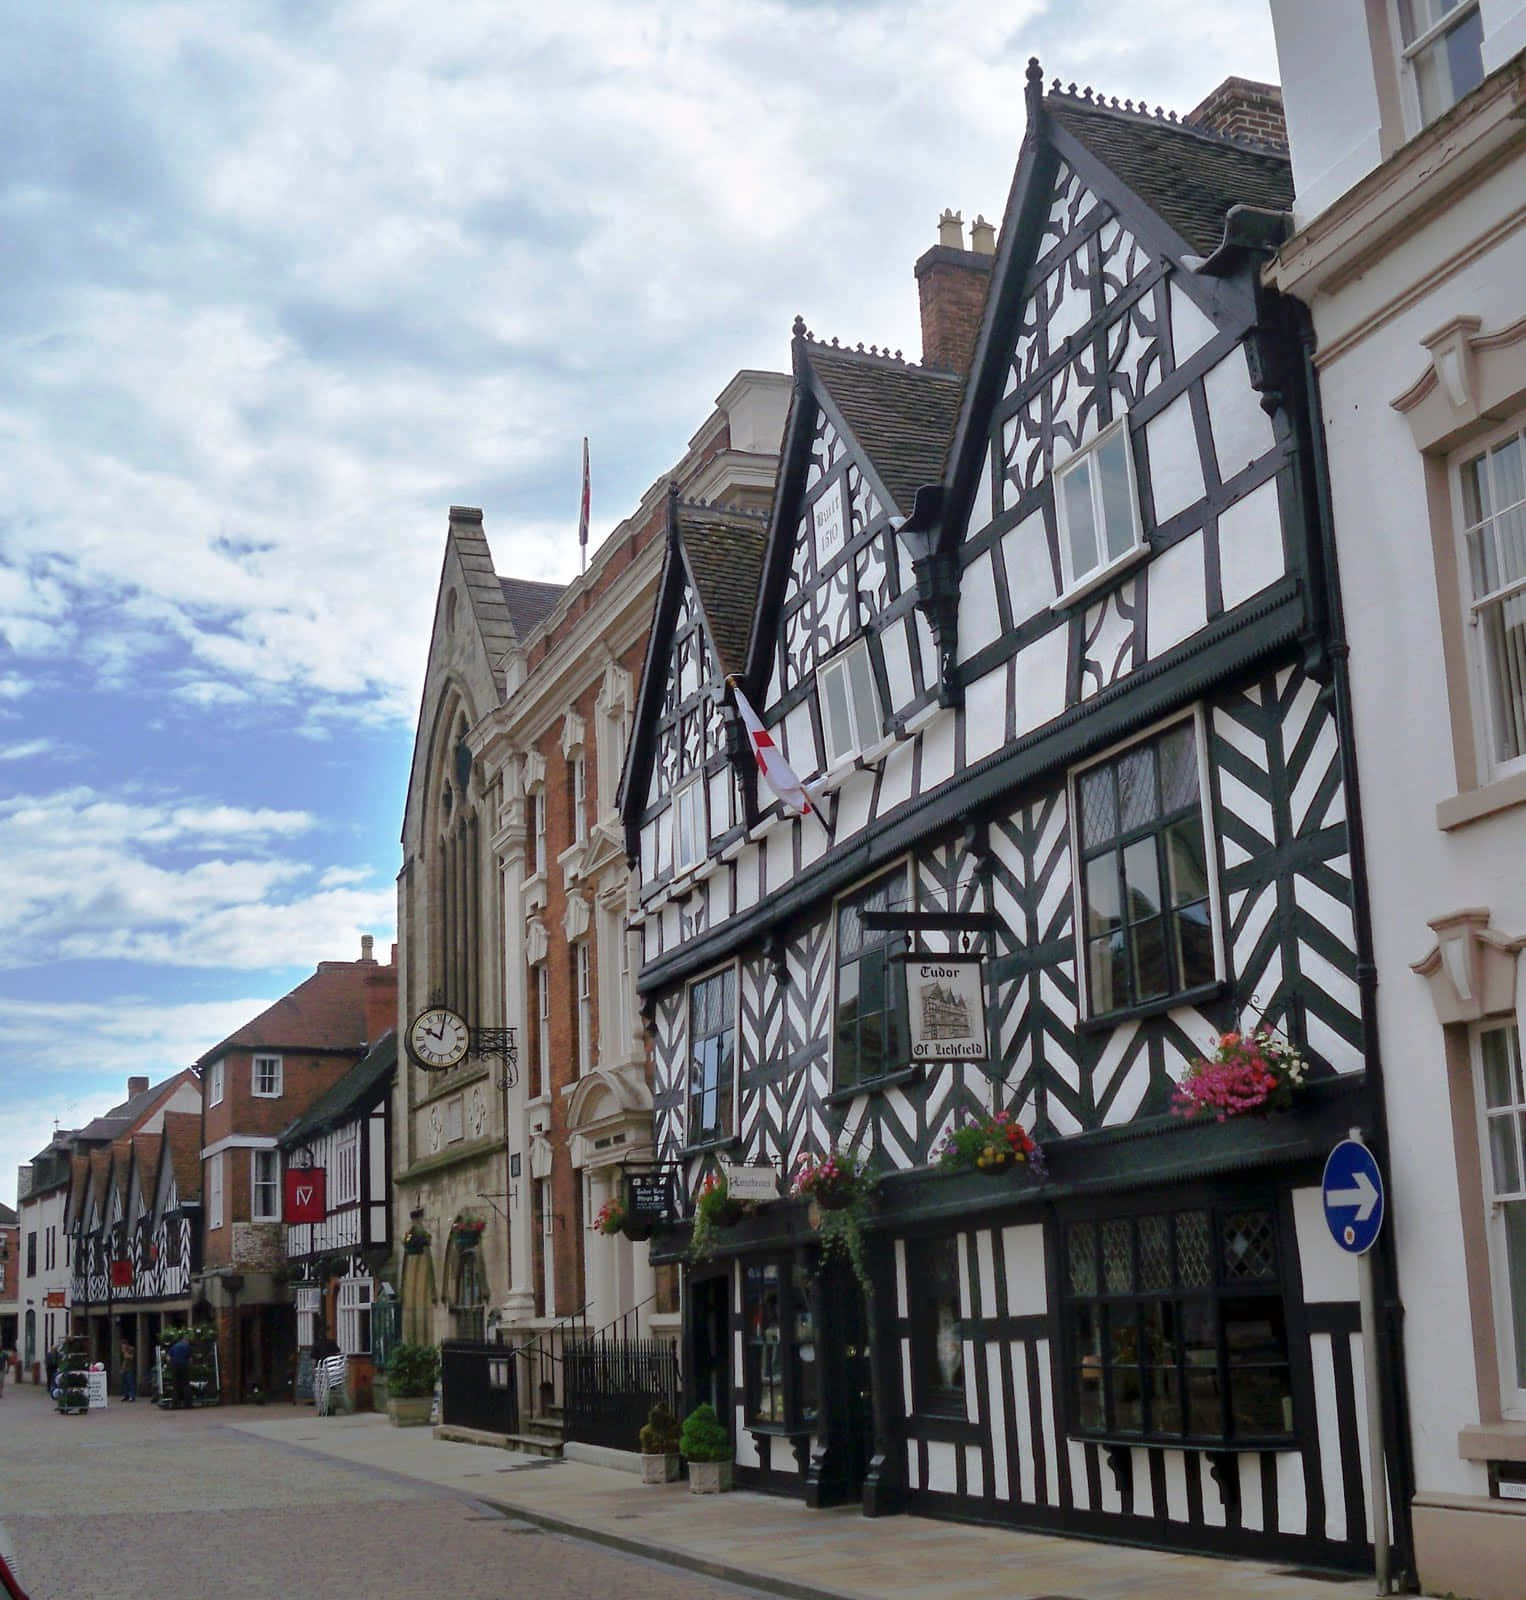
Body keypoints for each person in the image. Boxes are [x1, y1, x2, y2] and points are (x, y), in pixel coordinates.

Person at [168, 1332, 192, 1409]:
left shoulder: (174, 1346)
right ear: (185, 1340)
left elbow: (168, 1357)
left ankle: (175, 1403)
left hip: (175, 1366)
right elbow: (190, 1359)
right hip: (184, 1365)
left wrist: (171, 1364)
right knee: (186, 1384)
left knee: (175, 1384)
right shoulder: (187, 1346)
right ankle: (187, 1404)